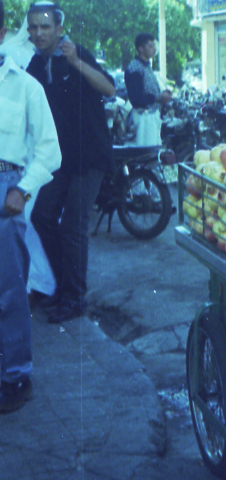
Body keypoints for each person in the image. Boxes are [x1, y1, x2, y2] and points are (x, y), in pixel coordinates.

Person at [26, 1, 115, 324]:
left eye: (44, 26)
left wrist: (77, 61)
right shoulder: (34, 66)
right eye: (33, 27)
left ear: (59, 29)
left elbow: (109, 88)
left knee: (73, 224)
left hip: (90, 155)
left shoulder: (78, 54)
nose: (38, 33)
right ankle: (62, 287)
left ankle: (75, 298)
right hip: (59, 159)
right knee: (42, 215)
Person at [0, 0, 62, 413]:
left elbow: (49, 152)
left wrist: (21, 189)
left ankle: (15, 376)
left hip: (6, 190)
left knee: (7, 292)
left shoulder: (24, 87)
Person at [124, 33, 172, 146]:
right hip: (144, 119)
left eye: (154, 45)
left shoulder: (146, 66)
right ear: (140, 48)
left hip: (152, 117)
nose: (154, 49)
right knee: (148, 156)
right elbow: (136, 99)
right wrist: (159, 98)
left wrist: (162, 95)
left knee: (155, 153)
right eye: (151, 46)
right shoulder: (135, 68)